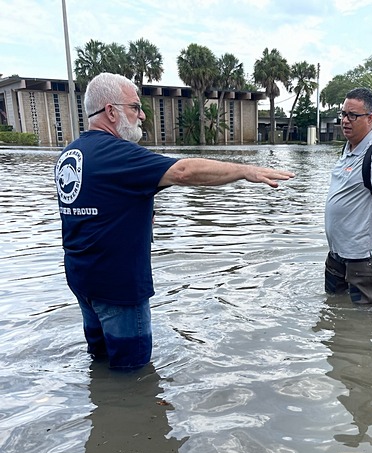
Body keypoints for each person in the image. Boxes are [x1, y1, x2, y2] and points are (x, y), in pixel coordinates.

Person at [55, 72, 294, 369]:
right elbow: (182, 171)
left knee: (100, 360)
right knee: (133, 375)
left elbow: (98, 205)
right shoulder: (117, 153)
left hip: (83, 281)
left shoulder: (71, 154)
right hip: (118, 287)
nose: (142, 115)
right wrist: (244, 171)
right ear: (111, 112)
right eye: (134, 107)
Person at [324, 87, 372, 306]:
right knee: (334, 308)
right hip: (337, 254)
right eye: (343, 114)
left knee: (365, 321)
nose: (345, 121)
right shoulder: (347, 149)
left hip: (363, 259)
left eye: (353, 116)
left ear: (370, 118)